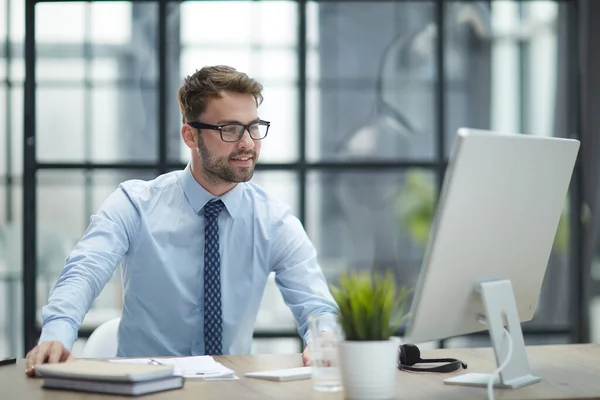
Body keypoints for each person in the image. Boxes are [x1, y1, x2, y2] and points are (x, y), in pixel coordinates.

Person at [25, 65, 339, 376]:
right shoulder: (135, 205)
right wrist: (56, 335)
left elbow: (317, 306)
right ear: (190, 135)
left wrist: (323, 339)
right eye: (230, 130)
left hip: (230, 390)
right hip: (145, 389)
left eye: (253, 127)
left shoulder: (273, 221)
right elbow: (83, 272)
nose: (248, 144)